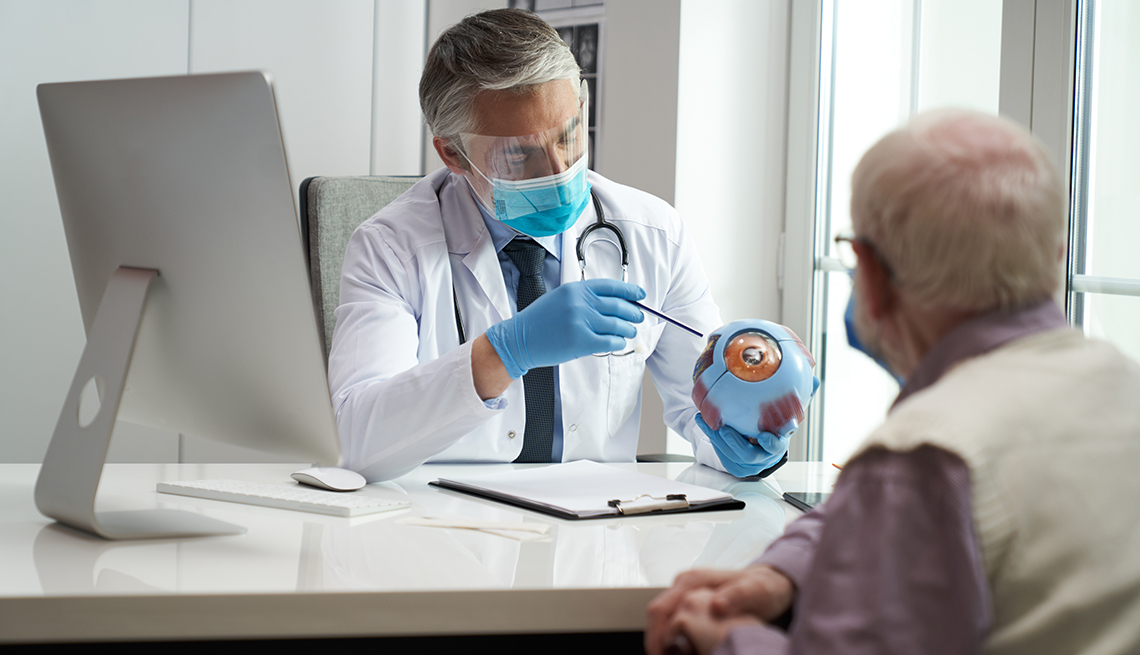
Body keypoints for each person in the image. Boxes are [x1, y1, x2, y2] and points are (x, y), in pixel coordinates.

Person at [645, 109, 1140, 654]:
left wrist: (725, 641)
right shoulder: (1120, 386)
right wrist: (782, 572)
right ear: (1054, 254)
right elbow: (887, 525)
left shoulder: (923, 457)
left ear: (871, 275)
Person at [328, 9, 787, 482]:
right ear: (452, 153)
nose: (558, 169)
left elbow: (701, 406)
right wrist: (506, 352)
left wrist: (743, 433)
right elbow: (357, 440)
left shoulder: (654, 234)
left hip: (596, 530)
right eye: (518, 154)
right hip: (444, 528)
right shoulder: (389, 249)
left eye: (569, 137)